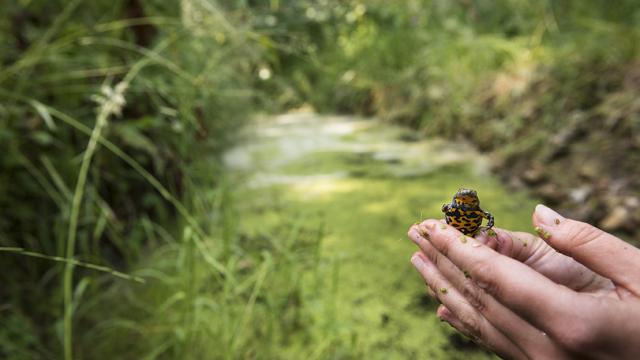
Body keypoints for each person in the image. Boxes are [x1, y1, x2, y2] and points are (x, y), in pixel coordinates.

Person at [407, 204, 640, 359]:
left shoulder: (477, 211)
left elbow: (488, 218)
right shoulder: (455, 208)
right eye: (462, 198)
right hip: (463, 231)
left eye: (470, 198)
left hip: (475, 233)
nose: (465, 199)